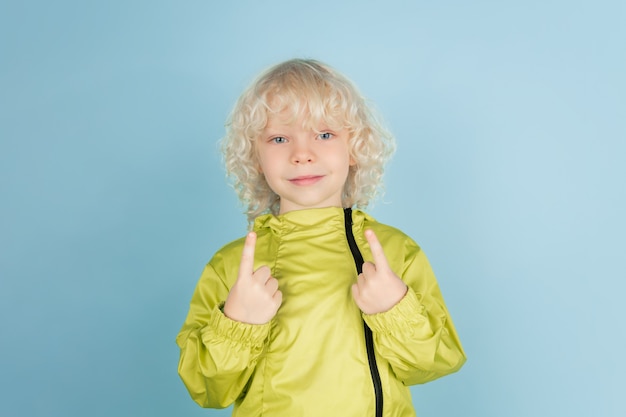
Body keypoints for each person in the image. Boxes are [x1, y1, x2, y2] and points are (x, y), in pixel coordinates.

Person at [176, 58, 466, 417]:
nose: (302, 154)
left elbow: (436, 363)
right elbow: (206, 390)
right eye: (280, 138)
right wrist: (238, 323)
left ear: (355, 146)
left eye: (324, 134)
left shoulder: (394, 252)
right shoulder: (231, 267)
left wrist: (396, 310)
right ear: (255, 157)